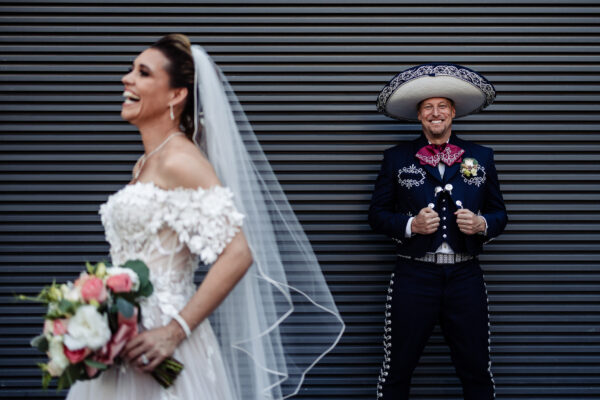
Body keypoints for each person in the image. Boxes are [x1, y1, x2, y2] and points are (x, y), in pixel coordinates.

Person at [67, 34, 344, 400]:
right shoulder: (148, 161)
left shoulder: (180, 161)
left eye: (143, 73)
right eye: (131, 70)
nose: (126, 79)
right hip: (126, 337)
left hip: (162, 338)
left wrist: (174, 331)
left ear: (175, 95)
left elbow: (239, 252)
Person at [369, 64, 508, 400]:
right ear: (419, 116)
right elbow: (376, 215)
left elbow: (500, 213)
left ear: (453, 112)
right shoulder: (396, 158)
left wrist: (482, 225)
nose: (435, 113)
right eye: (428, 107)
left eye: (442, 106)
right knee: (397, 369)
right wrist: (409, 226)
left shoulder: (481, 157)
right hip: (413, 275)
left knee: (476, 369)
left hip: (465, 275)